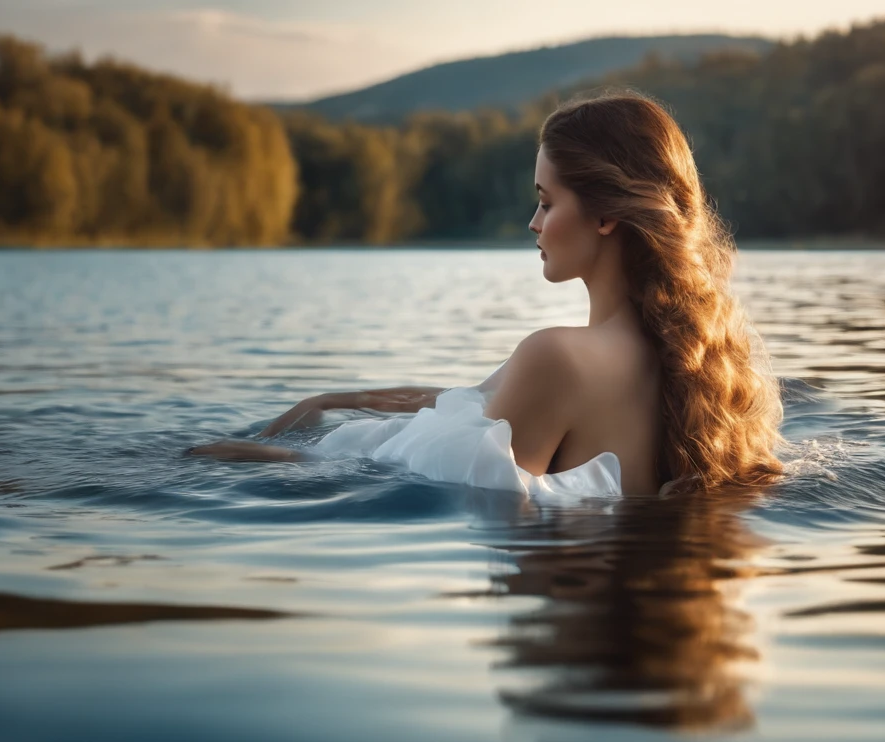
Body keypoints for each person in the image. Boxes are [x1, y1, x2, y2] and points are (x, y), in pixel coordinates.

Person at [187, 89, 784, 497]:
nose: (534, 223)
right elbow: (469, 400)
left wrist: (272, 458)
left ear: (605, 214)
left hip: (568, 585)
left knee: (200, 460)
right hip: (618, 594)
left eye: (547, 202)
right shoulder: (706, 365)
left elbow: (462, 487)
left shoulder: (559, 358)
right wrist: (337, 399)